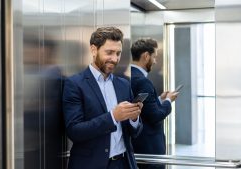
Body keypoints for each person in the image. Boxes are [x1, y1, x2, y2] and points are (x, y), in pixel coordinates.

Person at [62, 27, 143, 169]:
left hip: (124, 163)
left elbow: (134, 132)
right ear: (94, 50)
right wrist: (113, 116)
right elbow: (74, 131)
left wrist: (134, 118)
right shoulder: (74, 84)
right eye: (109, 52)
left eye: (118, 53)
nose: (115, 59)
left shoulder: (124, 84)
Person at [130, 38, 178, 169]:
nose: (155, 61)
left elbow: (142, 106)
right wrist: (168, 101)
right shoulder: (143, 81)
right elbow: (155, 116)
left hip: (136, 146)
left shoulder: (129, 76)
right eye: (154, 56)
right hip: (149, 148)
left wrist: (159, 99)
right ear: (146, 56)